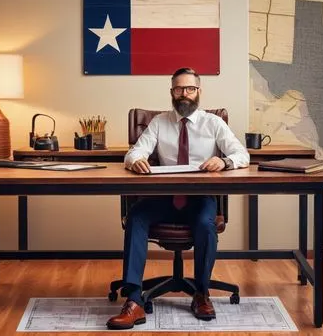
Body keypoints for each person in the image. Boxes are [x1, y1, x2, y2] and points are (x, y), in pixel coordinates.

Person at [106, 67, 250, 330]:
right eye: (178, 89)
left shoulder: (214, 123)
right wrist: (136, 161)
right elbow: (134, 152)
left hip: (199, 198)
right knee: (137, 215)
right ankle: (134, 300)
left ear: (199, 92)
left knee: (206, 224)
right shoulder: (160, 122)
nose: (184, 94)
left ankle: (202, 293)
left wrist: (224, 160)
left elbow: (243, 155)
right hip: (164, 197)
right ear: (171, 92)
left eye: (190, 88)